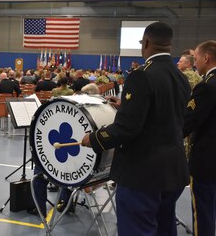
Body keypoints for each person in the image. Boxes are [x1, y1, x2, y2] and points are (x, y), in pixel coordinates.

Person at [81, 22, 190, 235]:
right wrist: (128, 106)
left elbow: (126, 128)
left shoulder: (141, 75)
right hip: (173, 169)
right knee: (164, 228)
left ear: (146, 43)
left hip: (143, 172)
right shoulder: (181, 77)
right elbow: (167, 112)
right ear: (169, 44)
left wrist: (94, 139)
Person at [183, 40, 216, 236]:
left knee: (202, 213)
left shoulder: (206, 86)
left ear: (206, 58)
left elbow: (188, 122)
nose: (195, 64)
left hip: (205, 160)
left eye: (195, 59)